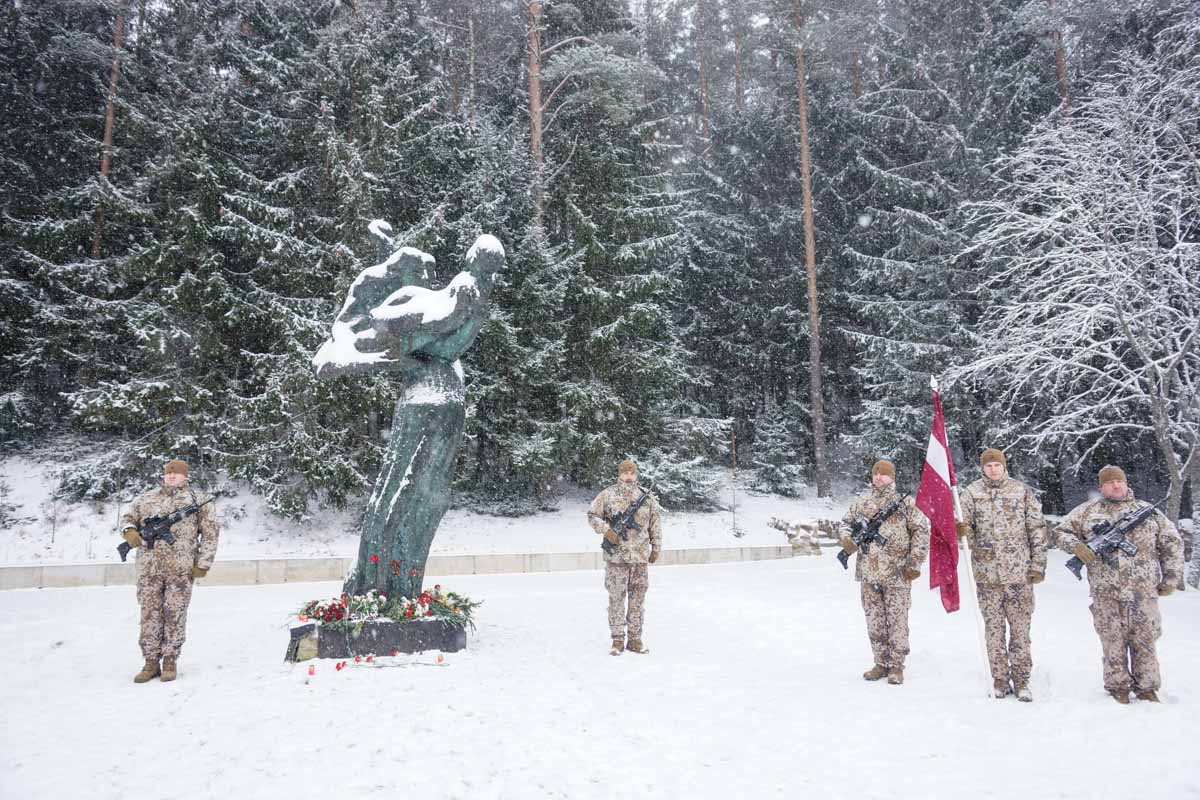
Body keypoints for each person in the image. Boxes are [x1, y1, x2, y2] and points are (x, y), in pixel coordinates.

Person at [1055, 465, 1184, 704]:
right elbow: (1061, 532)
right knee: (1112, 640)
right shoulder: (1088, 511)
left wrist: (1171, 578)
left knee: (1145, 640)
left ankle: (1147, 687)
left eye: (1120, 481)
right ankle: (1118, 687)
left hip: (1142, 591)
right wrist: (1078, 548)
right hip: (1106, 592)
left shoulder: (1147, 511)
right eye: (1110, 482)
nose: (1116, 485)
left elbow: (1171, 544)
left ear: (1126, 483)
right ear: (1101, 486)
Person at [956, 448, 1047, 702]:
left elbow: (1036, 529)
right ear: (982, 468)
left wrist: (1038, 565)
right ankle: (999, 678)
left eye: (997, 465)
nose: (993, 469)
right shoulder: (972, 493)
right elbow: (965, 531)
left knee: (1020, 630)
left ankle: (1022, 679)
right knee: (993, 630)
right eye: (988, 466)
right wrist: (960, 530)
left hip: (1019, 574)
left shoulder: (1021, 491)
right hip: (988, 576)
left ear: (1004, 466)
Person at [121, 459, 219, 683]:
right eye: (169, 473)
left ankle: (170, 661)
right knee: (149, 615)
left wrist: (203, 564)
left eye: (177, 473)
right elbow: (127, 519)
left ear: (186, 476)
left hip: (181, 570)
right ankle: (150, 662)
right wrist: (129, 532)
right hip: (149, 569)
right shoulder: (146, 498)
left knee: (175, 614)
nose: (172, 476)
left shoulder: (198, 500)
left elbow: (211, 533)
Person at [838, 460, 930, 685]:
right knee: (875, 621)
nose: (879, 477)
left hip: (898, 573)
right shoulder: (861, 502)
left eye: (884, 474)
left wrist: (914, 563)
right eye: (876, 473)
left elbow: (921, 532)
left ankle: (896, 666)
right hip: (869, 573)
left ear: (892, 477)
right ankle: (880, 663)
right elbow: (844, 524)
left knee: (897, 622)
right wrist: (847, 540)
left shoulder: (905, 503)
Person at [587, 460, 662, 655]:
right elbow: (592, 515)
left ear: (636, 474)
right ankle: (618, 640)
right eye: (625, 472)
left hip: (639, 558)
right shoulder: (608, 494)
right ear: (619, 474)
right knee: (616, 598)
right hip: (616, 557)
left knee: (637, 599)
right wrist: (606, 530)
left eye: (632, 472)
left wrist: (656, 547)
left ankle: (635, 639)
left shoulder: (646, 498)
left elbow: (655, 523)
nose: (629, 475)